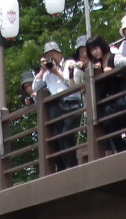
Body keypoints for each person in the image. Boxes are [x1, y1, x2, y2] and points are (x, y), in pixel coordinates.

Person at [34, 41, 82, 172]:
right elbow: (35, 87)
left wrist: (57, 72)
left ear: (59, 54)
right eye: (48, 55)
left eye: (53, 54)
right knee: (57, 137)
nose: (51, 57)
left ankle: (72, 166)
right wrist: (43, 70)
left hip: (72, 103)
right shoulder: (46, 73)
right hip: (58, 107)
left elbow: (73, 85)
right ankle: (64, 167)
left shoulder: (69, 64)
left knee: (67, 134)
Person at [87, 35, 126, 154]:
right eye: (91, 50)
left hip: (122, 95)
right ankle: (125, 154)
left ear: (102, 45)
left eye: (96, 48)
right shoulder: (96, 65)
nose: (94, 52)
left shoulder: (114, 57)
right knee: (112, 133)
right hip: (110, 101)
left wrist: (113, 72)